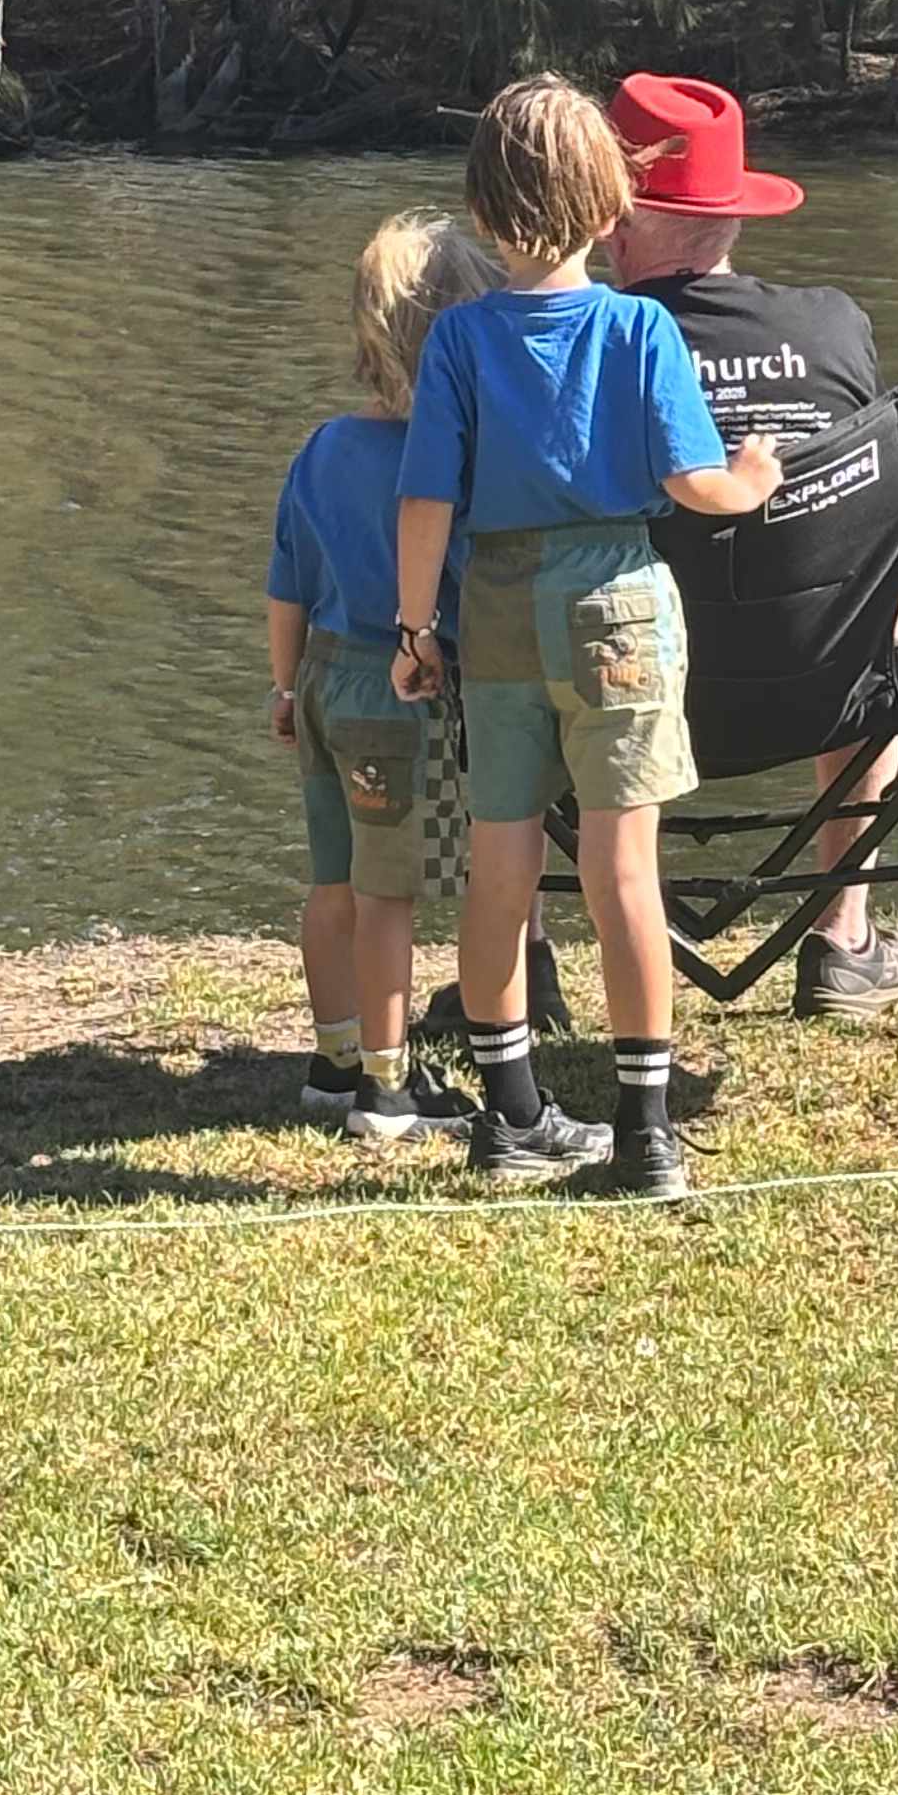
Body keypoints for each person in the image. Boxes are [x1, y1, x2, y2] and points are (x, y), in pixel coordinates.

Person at [394, 74, 783, 1200]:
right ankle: (646, 1129)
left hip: (499, 604)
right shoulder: (639, 326)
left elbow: (426, 500)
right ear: (613, 204)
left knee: (500, 859)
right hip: (615, 595)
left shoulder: (461, 343)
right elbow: (690, 481)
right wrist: (751, 481)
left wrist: (416, 627)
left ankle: (510, 1111)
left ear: (479, 212)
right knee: (623, 867)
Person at [604, 70, 898, 1024]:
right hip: (820, 689)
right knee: (877, 604)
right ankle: (843, 937)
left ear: (612, 213)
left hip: (622, 689)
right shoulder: (833, 325)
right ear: (732, 213)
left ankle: (524, 959)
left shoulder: (584, 343)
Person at [265, 211, 494, 1141]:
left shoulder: (320, 448)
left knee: (333, 879)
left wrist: (282, 691)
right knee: (387, 893)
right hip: (393, 693)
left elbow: (284, 582)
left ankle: (333, 1058)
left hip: (319, 680)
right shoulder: (447, 462)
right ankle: (390, 1090)